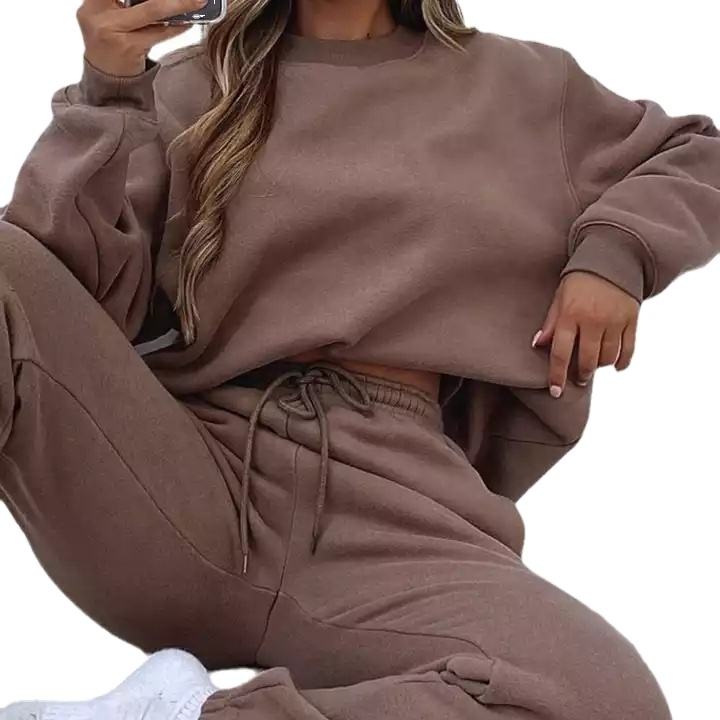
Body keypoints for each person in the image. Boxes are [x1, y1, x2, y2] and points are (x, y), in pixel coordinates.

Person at [1, 0, 719, 718]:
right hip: (182, 483)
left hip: (396, 519)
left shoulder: (524, 86)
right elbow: (54, 290)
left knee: (604, 697)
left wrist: (615, 254)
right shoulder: (188, 85)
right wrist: (109, 91)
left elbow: (698, 156)